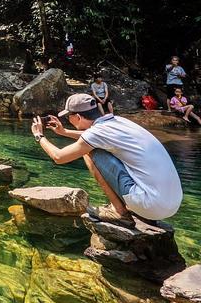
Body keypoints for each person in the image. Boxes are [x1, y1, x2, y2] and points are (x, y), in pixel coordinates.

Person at [30, 93, 182, 225]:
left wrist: (39, 136)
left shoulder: (96, 133)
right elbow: (95, 137)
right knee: (90, 145)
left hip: (150, 205)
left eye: (69, 117)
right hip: (172, 204)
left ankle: (119, 212)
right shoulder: (118, 122)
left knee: (87, 151)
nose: (69, 120)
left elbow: (59, 157)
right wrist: (63, 132)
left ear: (77, 117)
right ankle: (133, 208)